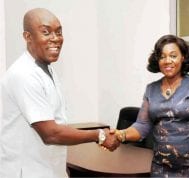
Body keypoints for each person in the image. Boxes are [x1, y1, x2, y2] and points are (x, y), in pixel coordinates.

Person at [0, 8, 119, 178]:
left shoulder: (46, 69)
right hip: (27, 171)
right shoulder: (23, 74)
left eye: (59, 32)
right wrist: (98, 135)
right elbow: (51, 134)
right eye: (46, 32)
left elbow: (56, 121)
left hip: (47, 168)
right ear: (28, 37)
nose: (55, 39)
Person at [112, 34, 189, 177]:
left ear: (183, 57)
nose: (167, 61)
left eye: (173, 56)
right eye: (162, 57)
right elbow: (142, 126)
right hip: (160, 168)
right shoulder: (151, 89)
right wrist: (121, 134)